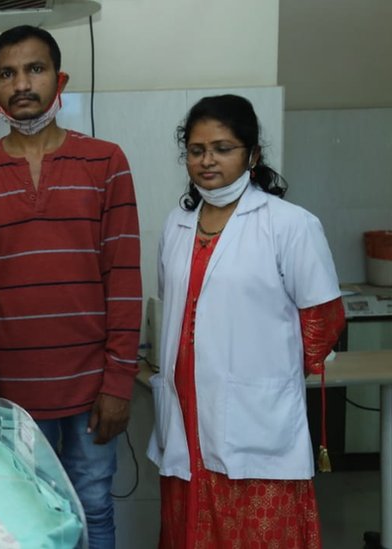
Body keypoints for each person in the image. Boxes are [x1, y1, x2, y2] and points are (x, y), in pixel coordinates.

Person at [0, 25, 142, 548]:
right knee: (28, 518)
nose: (22, 84)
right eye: (8, 74)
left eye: (34, 69)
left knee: (94, 504)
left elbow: (124, 281)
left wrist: (118, 385)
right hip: (14, 391)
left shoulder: (106, 162)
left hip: (91, 385)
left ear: (60, 79)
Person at [148, 94, 345, 548]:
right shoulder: (177, 223)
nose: (207, 161)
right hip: (186, 411)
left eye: (222, 148)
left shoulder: (290, 224)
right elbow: (176, 303)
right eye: (196, 150)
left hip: (255, 414)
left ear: (252, 155)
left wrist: (266, 370)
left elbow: (323, 319)